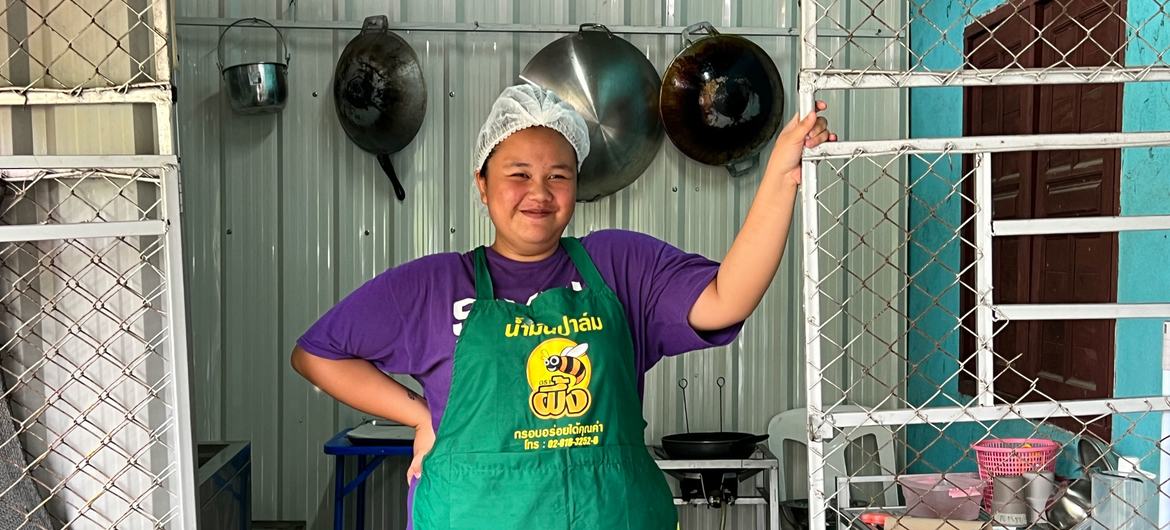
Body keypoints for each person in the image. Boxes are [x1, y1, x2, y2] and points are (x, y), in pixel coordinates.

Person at [291, 83, 835, 529]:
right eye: (518, 174)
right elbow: (317, 354)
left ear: (577, 186)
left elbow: (726, 298)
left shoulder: (619, 265)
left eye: (559, 176)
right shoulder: (432, 285)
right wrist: (423, 415)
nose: (540, 192)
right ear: (482, 185)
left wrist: (782, 179)